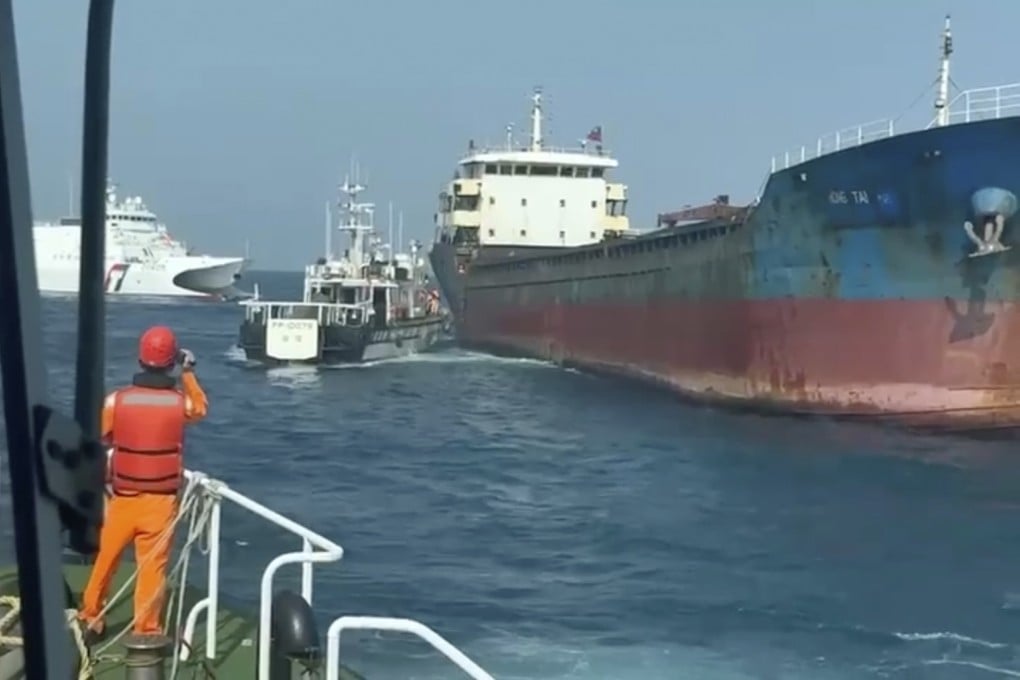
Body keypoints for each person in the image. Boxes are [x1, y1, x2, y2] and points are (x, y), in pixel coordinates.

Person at [78, 325, 208, 638]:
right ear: (171, 361)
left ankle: (91, 613)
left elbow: (102, 436)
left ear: (140, 359)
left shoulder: (116, 401)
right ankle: (146, 628)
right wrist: (188, 372)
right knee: (152, 567)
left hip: (123, 496)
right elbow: (200, 408)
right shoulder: (179, 405)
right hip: (160, 502)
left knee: (106, 558)